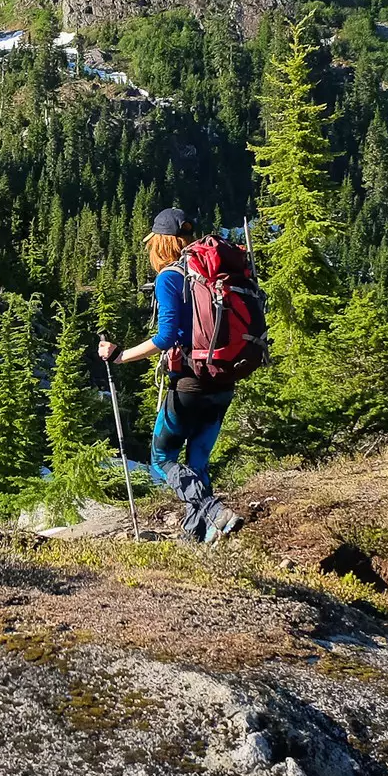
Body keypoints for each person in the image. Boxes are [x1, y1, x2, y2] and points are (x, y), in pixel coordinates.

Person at [96, 208, 244, 542]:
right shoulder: (211, 273)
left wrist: (120, 356)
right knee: (198, 462)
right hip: (224, 379)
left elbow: (167, 336)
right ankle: (199, 539)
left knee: (162, 458)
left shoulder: (170, 277)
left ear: (160, 244)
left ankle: (211, 509)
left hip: (191, 383)